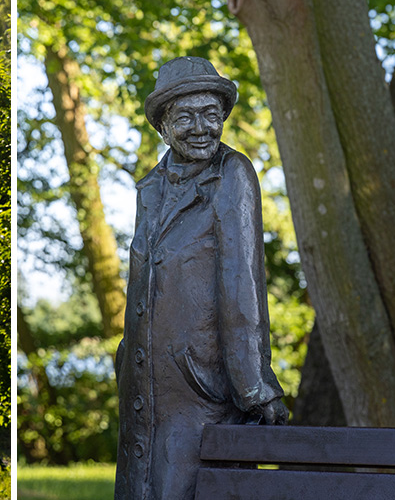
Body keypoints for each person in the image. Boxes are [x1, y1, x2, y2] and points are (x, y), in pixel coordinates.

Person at [115, 56, 289, 500]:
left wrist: (255, 385)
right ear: (164, 126)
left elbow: (241, 284)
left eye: (211, 115)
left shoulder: (232, 175)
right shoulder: (150, 188)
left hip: (201, 387)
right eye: (186, 116)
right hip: (144, 384)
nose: (201, 128)